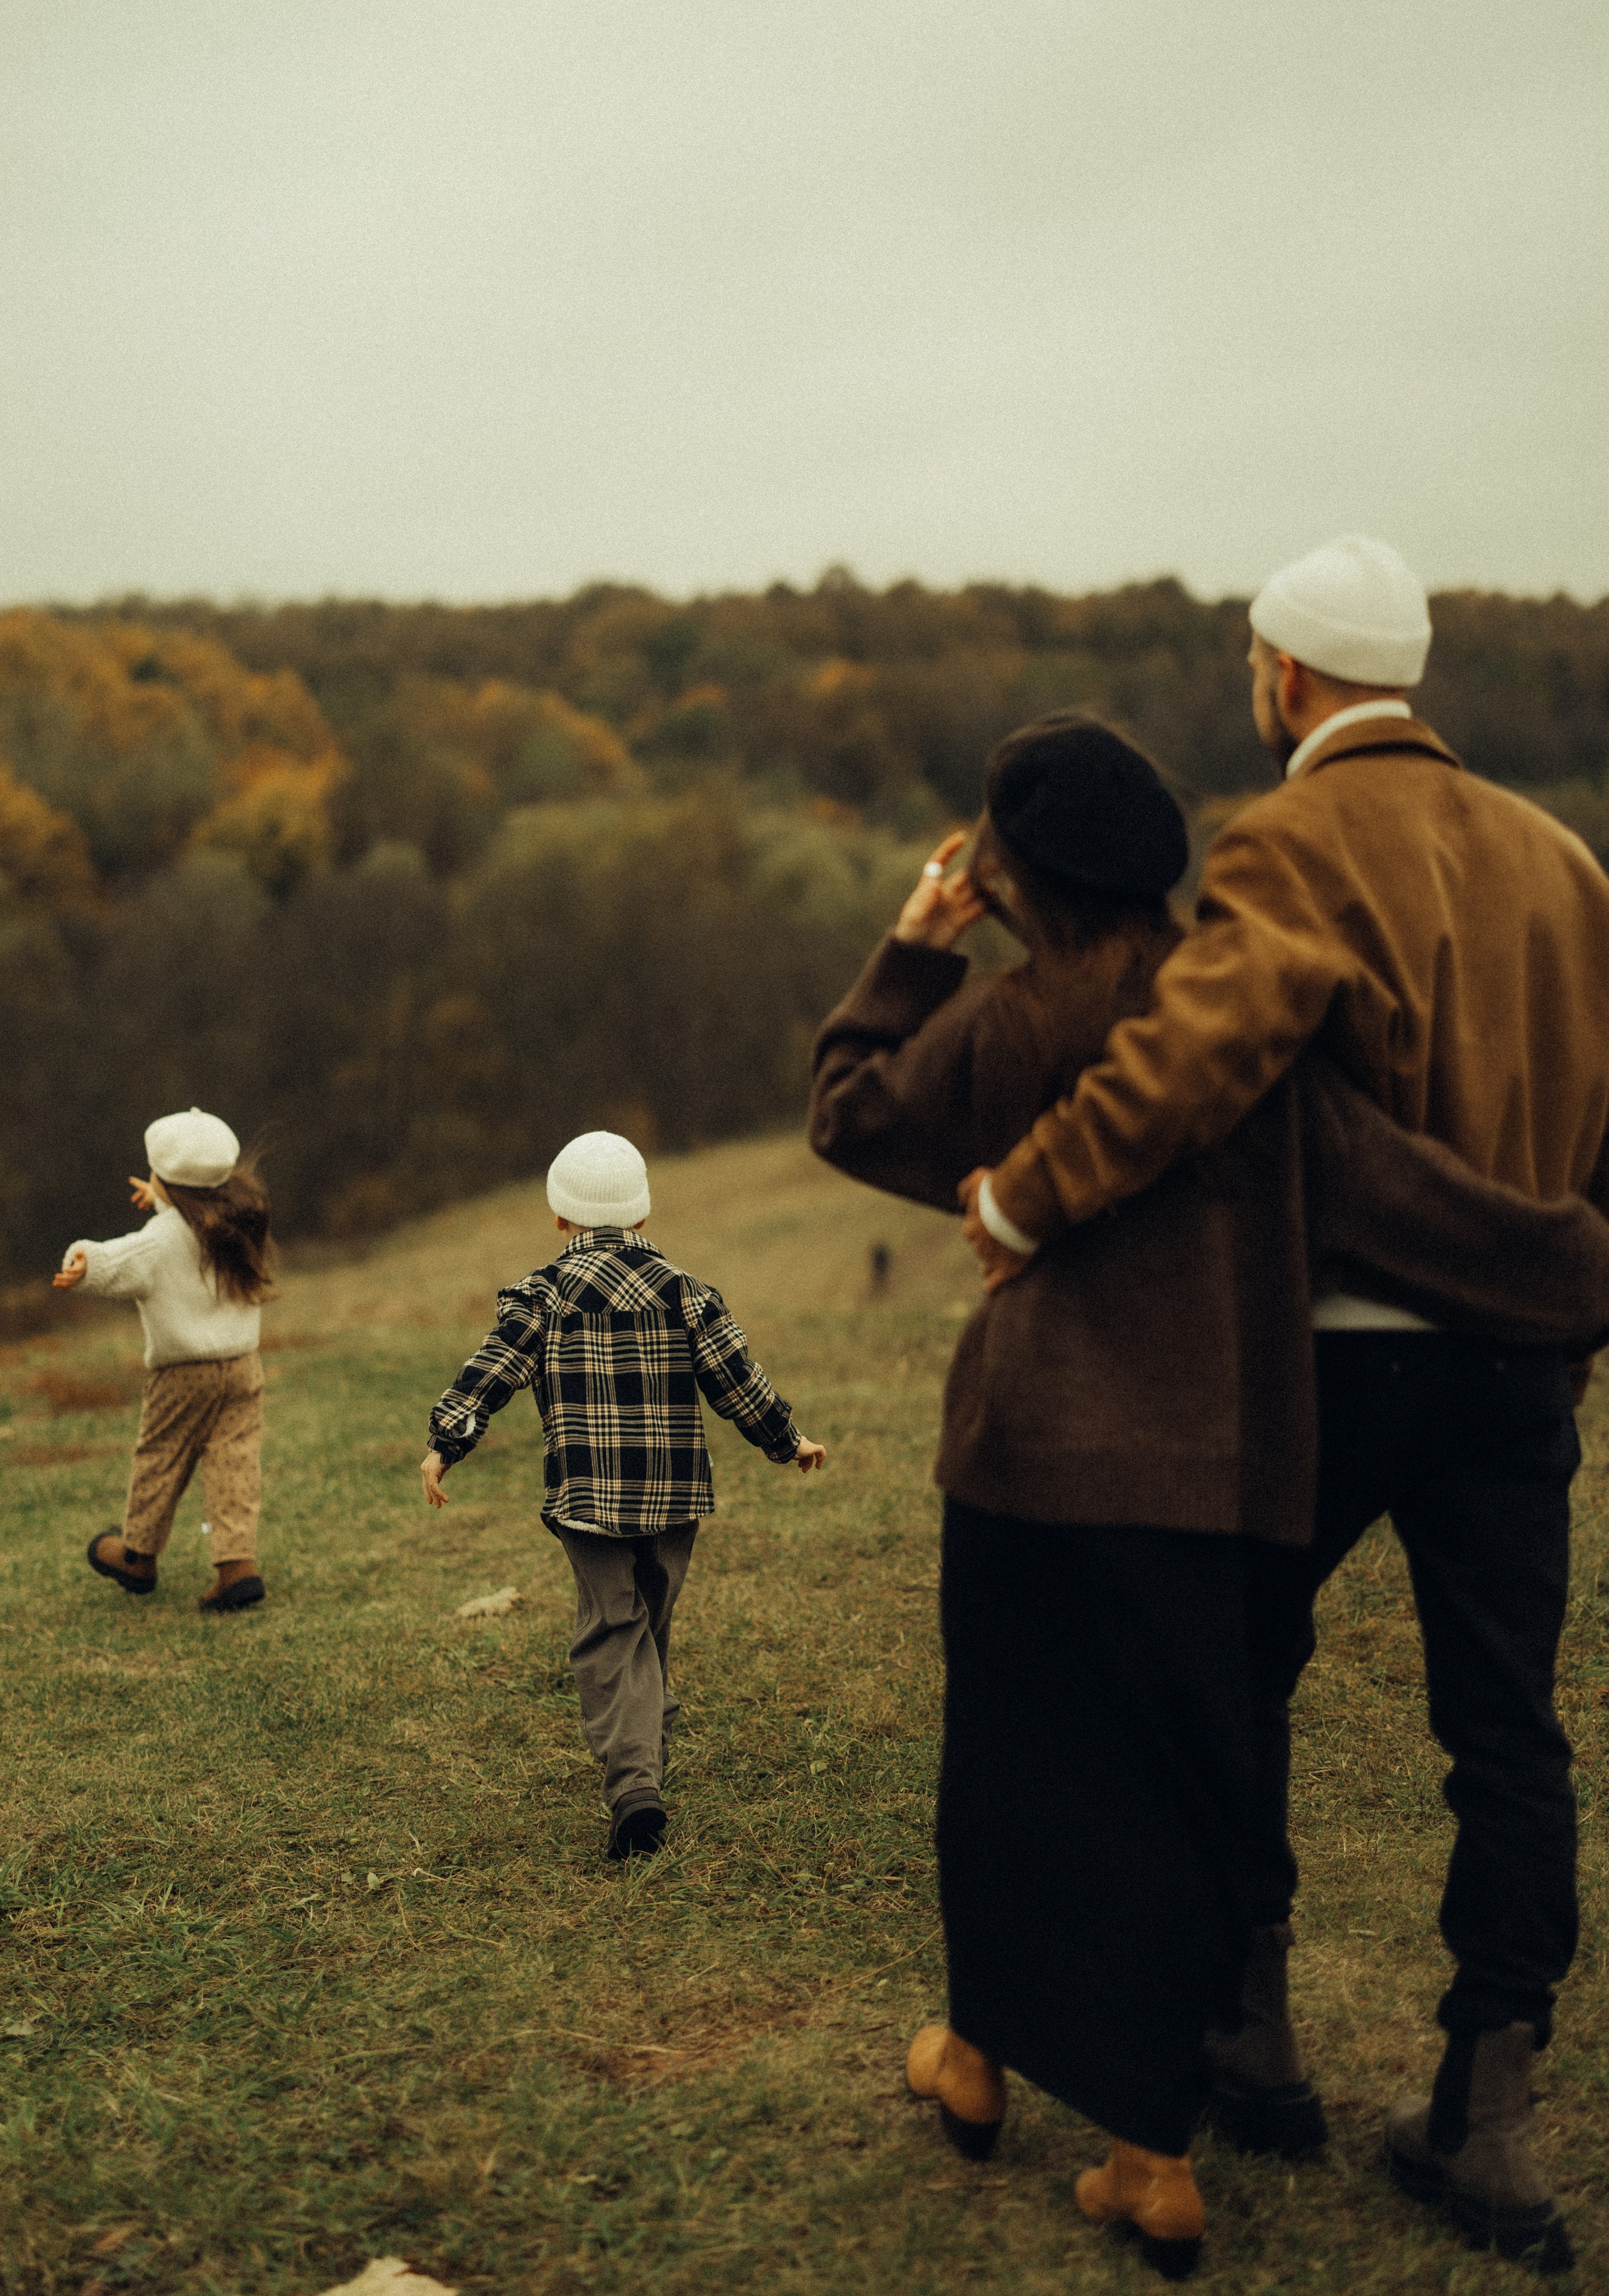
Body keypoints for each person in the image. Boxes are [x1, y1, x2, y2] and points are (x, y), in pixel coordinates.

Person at [809, 713, 1609, 2280]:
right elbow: (1408, 1200)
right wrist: (1568, 1263)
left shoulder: (1000, 1027)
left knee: (1006, 1760)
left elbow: (846, 1110)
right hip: (1207, 1471)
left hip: (1023, 1455)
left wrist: (912, 950)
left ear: (1003, 873)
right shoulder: (1259, 1044)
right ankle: (1152, 2153)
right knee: (1183, 1782)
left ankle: (973, 2062)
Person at [421, 1130, 826, 1862]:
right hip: (676, 1496)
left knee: (614, 1628)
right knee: (650, 1624)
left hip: (587, 1495)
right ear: (643, 1218)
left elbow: (490, 1371)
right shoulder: (687, 1293)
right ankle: (645, 1760)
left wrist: (446, 1439)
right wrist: (786, 1438)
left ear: (558, 1219)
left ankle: (635, 1784)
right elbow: (737, 1377)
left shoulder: (541, 1294)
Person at [57, 1107, 275, 1616]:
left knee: (162, 1457)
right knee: (233, 1462)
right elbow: (187, 1227)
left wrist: (83, 1258)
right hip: (243, 1367)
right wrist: (163, 1199)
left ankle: (137, 1556)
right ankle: (237, 1566)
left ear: (165, 1178)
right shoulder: (242, 1219)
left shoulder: (160, 1241)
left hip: (183, 1373)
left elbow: (123, 1260)